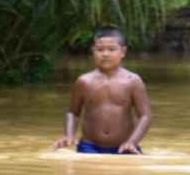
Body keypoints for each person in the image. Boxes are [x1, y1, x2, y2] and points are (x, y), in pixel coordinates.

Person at [53, 26, 153, 154]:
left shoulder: (132, 81)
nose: (105, 54)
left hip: (124, 147)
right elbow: (73, 113)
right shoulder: (84, 81)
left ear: (123, 52)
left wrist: (132, 142)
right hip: (89, 146)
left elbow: (145, 116)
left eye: (111, 49)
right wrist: (69, 135)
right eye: (100, 50)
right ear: (93, 51)